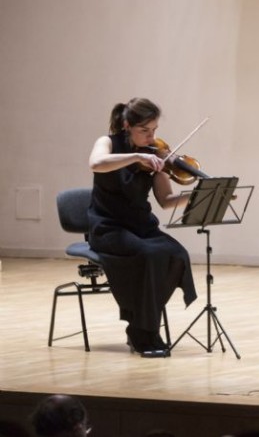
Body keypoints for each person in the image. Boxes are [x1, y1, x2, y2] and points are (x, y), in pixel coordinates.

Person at [88, 98, 197, 358]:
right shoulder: (108, 143)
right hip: (108, 227)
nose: (151, 137)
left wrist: (194, 197)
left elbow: (166, 201)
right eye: (144, 130)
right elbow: (96, 163)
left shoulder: (155, 156)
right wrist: (137, 156)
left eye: (154, 130)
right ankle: (146, 331)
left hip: (141, 227)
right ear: (127, 125)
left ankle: (140, 326)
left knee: (177, 256)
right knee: (150, 254)